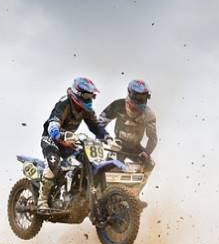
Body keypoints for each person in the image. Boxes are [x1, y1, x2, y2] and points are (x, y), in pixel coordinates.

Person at [39, 77, 109, 211]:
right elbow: (54, 121)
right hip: (52, 139)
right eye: (88, 95)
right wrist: (57, 134)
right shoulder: (64, 103)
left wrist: (107, 137)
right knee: (53, 163)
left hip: (69, 142)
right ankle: (42, 201)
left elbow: (95, 126)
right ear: (78, 93)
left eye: (92, 96)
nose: (90, 99)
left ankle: (78, 194)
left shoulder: (85, 109)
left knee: (88, 161)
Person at [98, 79, 157, 173]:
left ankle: (136, 187)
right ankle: (101, 185)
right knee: (109, 167)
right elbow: (100, 123)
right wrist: (104, 137)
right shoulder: (118, 105)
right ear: (130, 93)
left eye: (144, 96)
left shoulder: (148, 114)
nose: (141, 99)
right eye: (138, 96)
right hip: (118, 145)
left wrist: (146, 152)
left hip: (135, 148)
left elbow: (153, 138)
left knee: (149, 164)